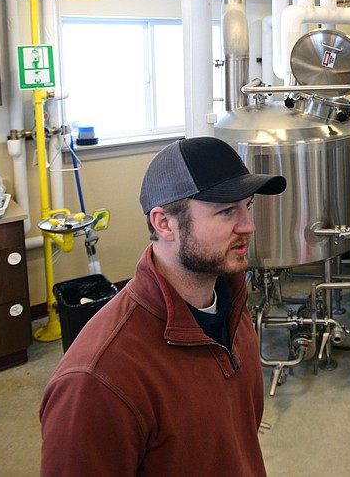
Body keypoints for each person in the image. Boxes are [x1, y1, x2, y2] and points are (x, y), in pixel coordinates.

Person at [39, 136, 286, 477]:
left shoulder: (230, 306)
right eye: (227, 210)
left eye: (248, 206)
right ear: (164, 223)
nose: (248, 226)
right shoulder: (96, 380)